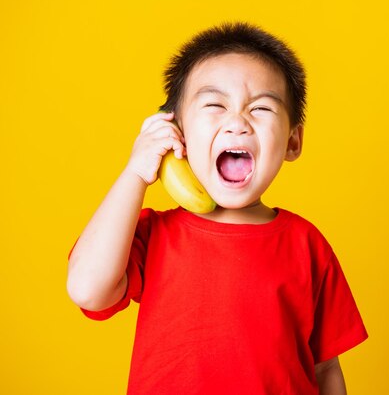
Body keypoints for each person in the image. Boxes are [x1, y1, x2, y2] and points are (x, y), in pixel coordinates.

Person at [66, 22, 368, 394]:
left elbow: (325, 370)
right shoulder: (153, 235)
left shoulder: (307, 244)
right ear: (178, 133)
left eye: (260, 108)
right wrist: (135, 173)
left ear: (292, 141)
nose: (237, 123)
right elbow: (86, 288)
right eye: (214, 105)